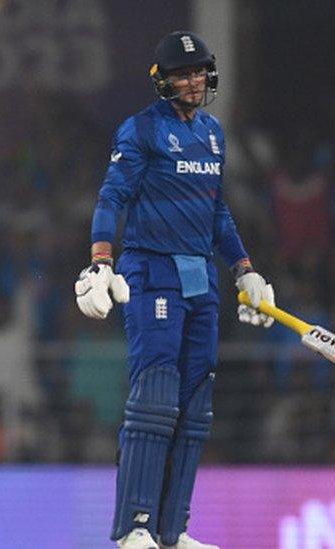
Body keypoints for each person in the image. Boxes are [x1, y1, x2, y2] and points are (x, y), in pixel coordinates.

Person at [75, 31, 275, 549]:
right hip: (151, 271)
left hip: (201, 279)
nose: (193, 82)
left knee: (195, 408)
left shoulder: (213, 134)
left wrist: (245, 270)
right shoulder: (141, 130)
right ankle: (134, 527)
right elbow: (112, 197)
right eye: (182, 74)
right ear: (162, 80)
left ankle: (172, 530)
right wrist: (101, 261)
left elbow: (218, 213)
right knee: (154, 403)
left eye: (199, 72)